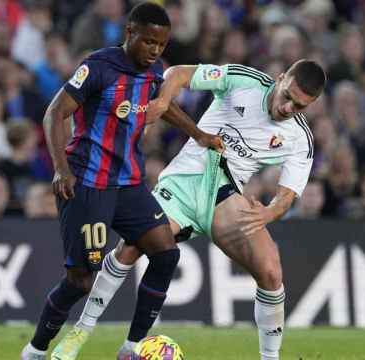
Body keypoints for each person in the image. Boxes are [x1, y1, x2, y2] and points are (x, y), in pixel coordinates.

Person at [57, 59, 326, 360]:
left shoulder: (300, 139)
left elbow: (287, 196)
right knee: (129, 248)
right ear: (280, 79)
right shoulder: (242, 80)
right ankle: (82, 330)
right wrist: (162, 100)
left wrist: (269, 212)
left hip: (224, 197)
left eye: (299, 106)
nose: (288, 108)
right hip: (184, 182)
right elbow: (178, 74)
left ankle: (270, 358)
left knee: (271, 272)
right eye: (287, 96)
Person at [20, 3, 223, 360]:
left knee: (166, 253)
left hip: (128, 183)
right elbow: (56, 112)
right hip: (87, 183)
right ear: (129, 33)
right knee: (81, 280)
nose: (155, 51)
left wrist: (199, 134)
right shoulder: (98, 67)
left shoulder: (153, 71)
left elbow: (164, 104)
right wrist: (61, 168)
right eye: (148, 42)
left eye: (161, 45)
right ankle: (35, 351)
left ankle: (131, 348)